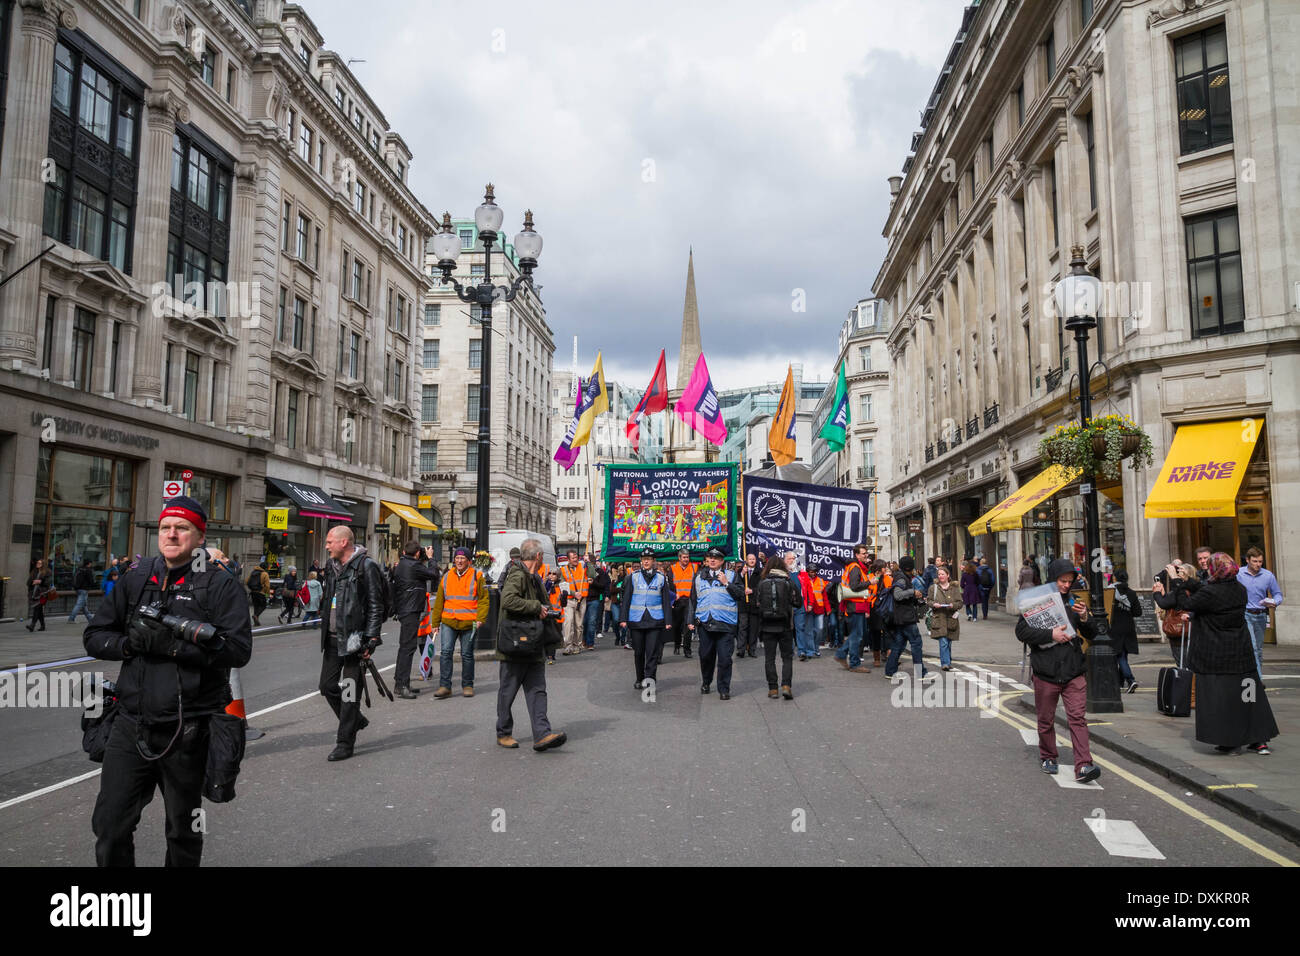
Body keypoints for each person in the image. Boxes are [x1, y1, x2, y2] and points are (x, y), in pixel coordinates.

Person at [84, 496, 252, 866]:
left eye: (182, 528)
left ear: (199, 536)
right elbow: (94, 636)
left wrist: (174, 648)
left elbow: (238, 651)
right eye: (165, 527)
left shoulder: (221, 586)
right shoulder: (136, 578)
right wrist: (128, 644)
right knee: (110, 827)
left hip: (188, 729)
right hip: (131, 724)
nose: (171, 534)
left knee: (183, 830)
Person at [1167, 553, 1278, 755]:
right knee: (1249, 696)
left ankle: (1230, 740)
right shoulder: (1240, 589)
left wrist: (1177, 582)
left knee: (1221, 700)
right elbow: (1207, 591)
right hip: (1241, 654)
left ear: (1215, 570)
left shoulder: (1211, 593)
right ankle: (1258, 739)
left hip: (1216, 655)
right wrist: (1190, 581)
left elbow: (1186, 604)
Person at [1015, 557, 1100, 783]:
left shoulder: (1075, 601)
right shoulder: (1036, 602)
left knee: (1077, 718)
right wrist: (1050, 634)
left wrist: (1084, 617)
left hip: (1073, 669)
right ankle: (1048, 756)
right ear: (1053, 579)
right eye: (1062, 580)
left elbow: (1092, 633)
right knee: (1045, 718)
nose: (1066, 585)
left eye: (1069, 581)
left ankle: (1083, 765)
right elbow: (1021, 632)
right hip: (1046, 670)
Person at [317, 525, 385, 762]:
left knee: (349, 692)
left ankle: (345, 742)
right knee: (326, 686)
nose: (326, 547)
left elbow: (377, 605)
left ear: (343, 543)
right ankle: (355, 720)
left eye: (329, 542)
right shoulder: (330, 567)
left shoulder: (366, 566)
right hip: (333, 638)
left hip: (355, 640)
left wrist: (372, 639)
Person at [496, 539, 566, 751]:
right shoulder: (517, 574)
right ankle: (504, 732)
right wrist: (536, 606)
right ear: (538, 557)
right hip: (516, 643)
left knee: (537, 690)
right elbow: (508, 601)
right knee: (508, 691)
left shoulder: (533, 577)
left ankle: (542, 734)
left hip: (532, 643)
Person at [687, 547, 746, 700]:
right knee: (705, 656)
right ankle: (706, 681)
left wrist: (727, 583)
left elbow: (740, 595)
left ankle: (724, 688)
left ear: (722, 561)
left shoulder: (732, 575)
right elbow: (693, 599)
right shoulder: (699, 576)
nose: (712, 560)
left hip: (725, 624)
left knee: (725, 659)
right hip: (705, 623)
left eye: (716, 558)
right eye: (710, 558)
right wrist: (690, 620)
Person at [430, 547, 488, 699]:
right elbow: (439, 602)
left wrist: (481, 618)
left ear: (469, 561)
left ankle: (468, 685)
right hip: (449, 621)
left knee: (467, 655)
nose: (459, 561)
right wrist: (435, 622)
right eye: (457, 558)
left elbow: (483, 599)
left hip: (469, 623)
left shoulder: (478, 576)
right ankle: (445, 686)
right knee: (446, 653)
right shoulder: (447, 576)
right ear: (454, 560)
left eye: (463, 558)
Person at [619, 549, 673, 689]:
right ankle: (639, 678)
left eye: (649, 559)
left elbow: (666, 600)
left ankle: (650, 680)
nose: (646, 561)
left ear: (653, 561)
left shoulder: (661, 578)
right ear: (641, 561)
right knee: (639, 652)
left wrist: (668, 621)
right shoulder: (633, 577)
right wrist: (623, 618)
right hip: (637, 619)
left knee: (652, 653)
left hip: (655, 620)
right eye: (644, 559)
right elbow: (626, 598)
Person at [392, 540, 439, 699]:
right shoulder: (413, 565)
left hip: (405, 608)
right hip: (411, 609)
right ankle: (402, 685)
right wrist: (432, 558)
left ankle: (400, 683)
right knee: (408, 647)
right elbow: (433, 574)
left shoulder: (402, 564)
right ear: (418, 553)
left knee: (405, 647)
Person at [884, 556, 933, 684]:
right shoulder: (901, 578)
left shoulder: (901, 576)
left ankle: (890, 671)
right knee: (916, 644)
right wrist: (913, 592)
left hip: (901, 617)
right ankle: (920, 673)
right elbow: (898, 595)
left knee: (898, 644)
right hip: (906, 618)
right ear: (910, 567)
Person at [1238, 547, 1283, 680]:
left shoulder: (1268, 575)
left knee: (1257, 649)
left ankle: (1254, 674)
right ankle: (1258, 679)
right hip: (1245, 614)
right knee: (1252, 646)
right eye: (1255, 561)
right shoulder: (1239, 574)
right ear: (1247, 560)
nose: (1258, 564)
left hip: (1261, 615)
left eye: (1260, 561)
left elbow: (1278, 594)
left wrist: (1274, 602)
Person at [757, 556, 799, 699]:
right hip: (785, 625)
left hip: (767, 626)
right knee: (787, 657)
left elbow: (757, 603)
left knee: (769, 658)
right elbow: (798, 602)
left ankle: (773, 688)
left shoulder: (763, 583)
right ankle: (786, 686)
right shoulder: (788, 582)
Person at [835, 546, 875, 673]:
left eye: (866, 553)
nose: (865, 555)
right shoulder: (855, 568)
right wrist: (870, 582)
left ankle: (841, 654)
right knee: (857, 635)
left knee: (856, 634)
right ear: (857, 555)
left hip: (857, 605)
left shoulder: (856, 567)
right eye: (863, 553)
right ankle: (854, 663)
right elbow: (854, 586)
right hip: (855, 605)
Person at [1153, 559, 1195, 663]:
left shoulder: (1178, 591)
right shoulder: (1197, 589)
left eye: (1179, 573)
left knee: (1182, 663)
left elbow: (1164, 603)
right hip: (1195, 632)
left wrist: (1157, 593)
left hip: (1179, 633)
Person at [927, 565, 961, 670]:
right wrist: (934, 604)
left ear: (948, 575)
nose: (941, 576)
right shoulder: (933, 588)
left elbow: (960, 603)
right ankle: (945, 663)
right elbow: (929, 601)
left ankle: (948, 661)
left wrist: (953, 605)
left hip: (951, 619)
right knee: (943, 642)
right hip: (939, 618)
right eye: (939, 574)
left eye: (943, 574)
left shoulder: (954, 588)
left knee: (948, 642)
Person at [559, 549, 590, 656]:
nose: (575, 560)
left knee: (579, 624)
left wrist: (588, 562)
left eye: (576, 557)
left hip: (581, 601)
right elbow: (563, 586)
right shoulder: (563, 570)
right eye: (573, 558)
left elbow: (592, 574)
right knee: (568, 622)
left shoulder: (583, 566)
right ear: (568, 559)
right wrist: (574, 592)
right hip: (569, 600)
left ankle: (577, 645)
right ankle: (568, 646)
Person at [668, 549, 697, 657]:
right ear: (679, 558)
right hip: (677, 601)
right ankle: (676, 645)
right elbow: (671, 585)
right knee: (676, 626)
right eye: (684, 557)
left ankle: (687, 650)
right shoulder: (673, 568)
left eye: (687, 557)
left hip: (689, 600)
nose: (686, 559)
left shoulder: (694, 567)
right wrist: (672, 599)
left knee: (688, 625)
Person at [736, 552, 762, 658]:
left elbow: (761, 587)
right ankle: (741, 649)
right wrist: (742, 573)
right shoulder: (741, 571)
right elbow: (736, 584)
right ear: (746, 560)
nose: (752, 561)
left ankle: (752, 650)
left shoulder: (760, 572)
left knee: (753, 629)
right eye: (750, 559)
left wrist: (752, 590)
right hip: (743, 604)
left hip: (754, 604)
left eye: (753, 559)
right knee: (742, 627)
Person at [585, 559, 610, 648]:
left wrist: (593, 582)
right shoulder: (582, 571)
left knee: (592, 620)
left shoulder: (600, 572)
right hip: (583, 599)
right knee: (584, 622)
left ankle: (590, 642)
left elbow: (603, 585)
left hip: (595, 599)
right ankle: (584, 640)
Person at [25, 558, 52, 631]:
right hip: (33, 593)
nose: (37, 564)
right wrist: (32, 582)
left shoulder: (48, 572)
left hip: (43, 594)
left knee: (37, 608)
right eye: (37, 563)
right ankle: (43, 626)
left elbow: (48, 583)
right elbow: (28, 582)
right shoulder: (34, 571)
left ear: (43, 565)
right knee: (39, 610)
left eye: (39, 563)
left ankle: (32, 625)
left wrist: (40, 581)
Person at [69, 558, 96, 624]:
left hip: (77, 589)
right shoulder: (88, 570)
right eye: (91, 563)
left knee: (83, 605)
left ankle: (90, 619)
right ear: (89, 563)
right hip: (84, 589)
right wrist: (93, 584)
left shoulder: (79, 569)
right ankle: (71, 619)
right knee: (79, 604)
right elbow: (91, 580)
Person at [247, 560, 271, 626]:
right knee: (263, 605)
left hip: (253, 592)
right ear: (265, 567)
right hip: (261, 592)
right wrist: (267, 594)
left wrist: (252, 588)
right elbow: (267, 586)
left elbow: (247, 581)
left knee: (256, 606)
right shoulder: (265, 574)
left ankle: (256, 622)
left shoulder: (253, 572)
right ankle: (256, 615)